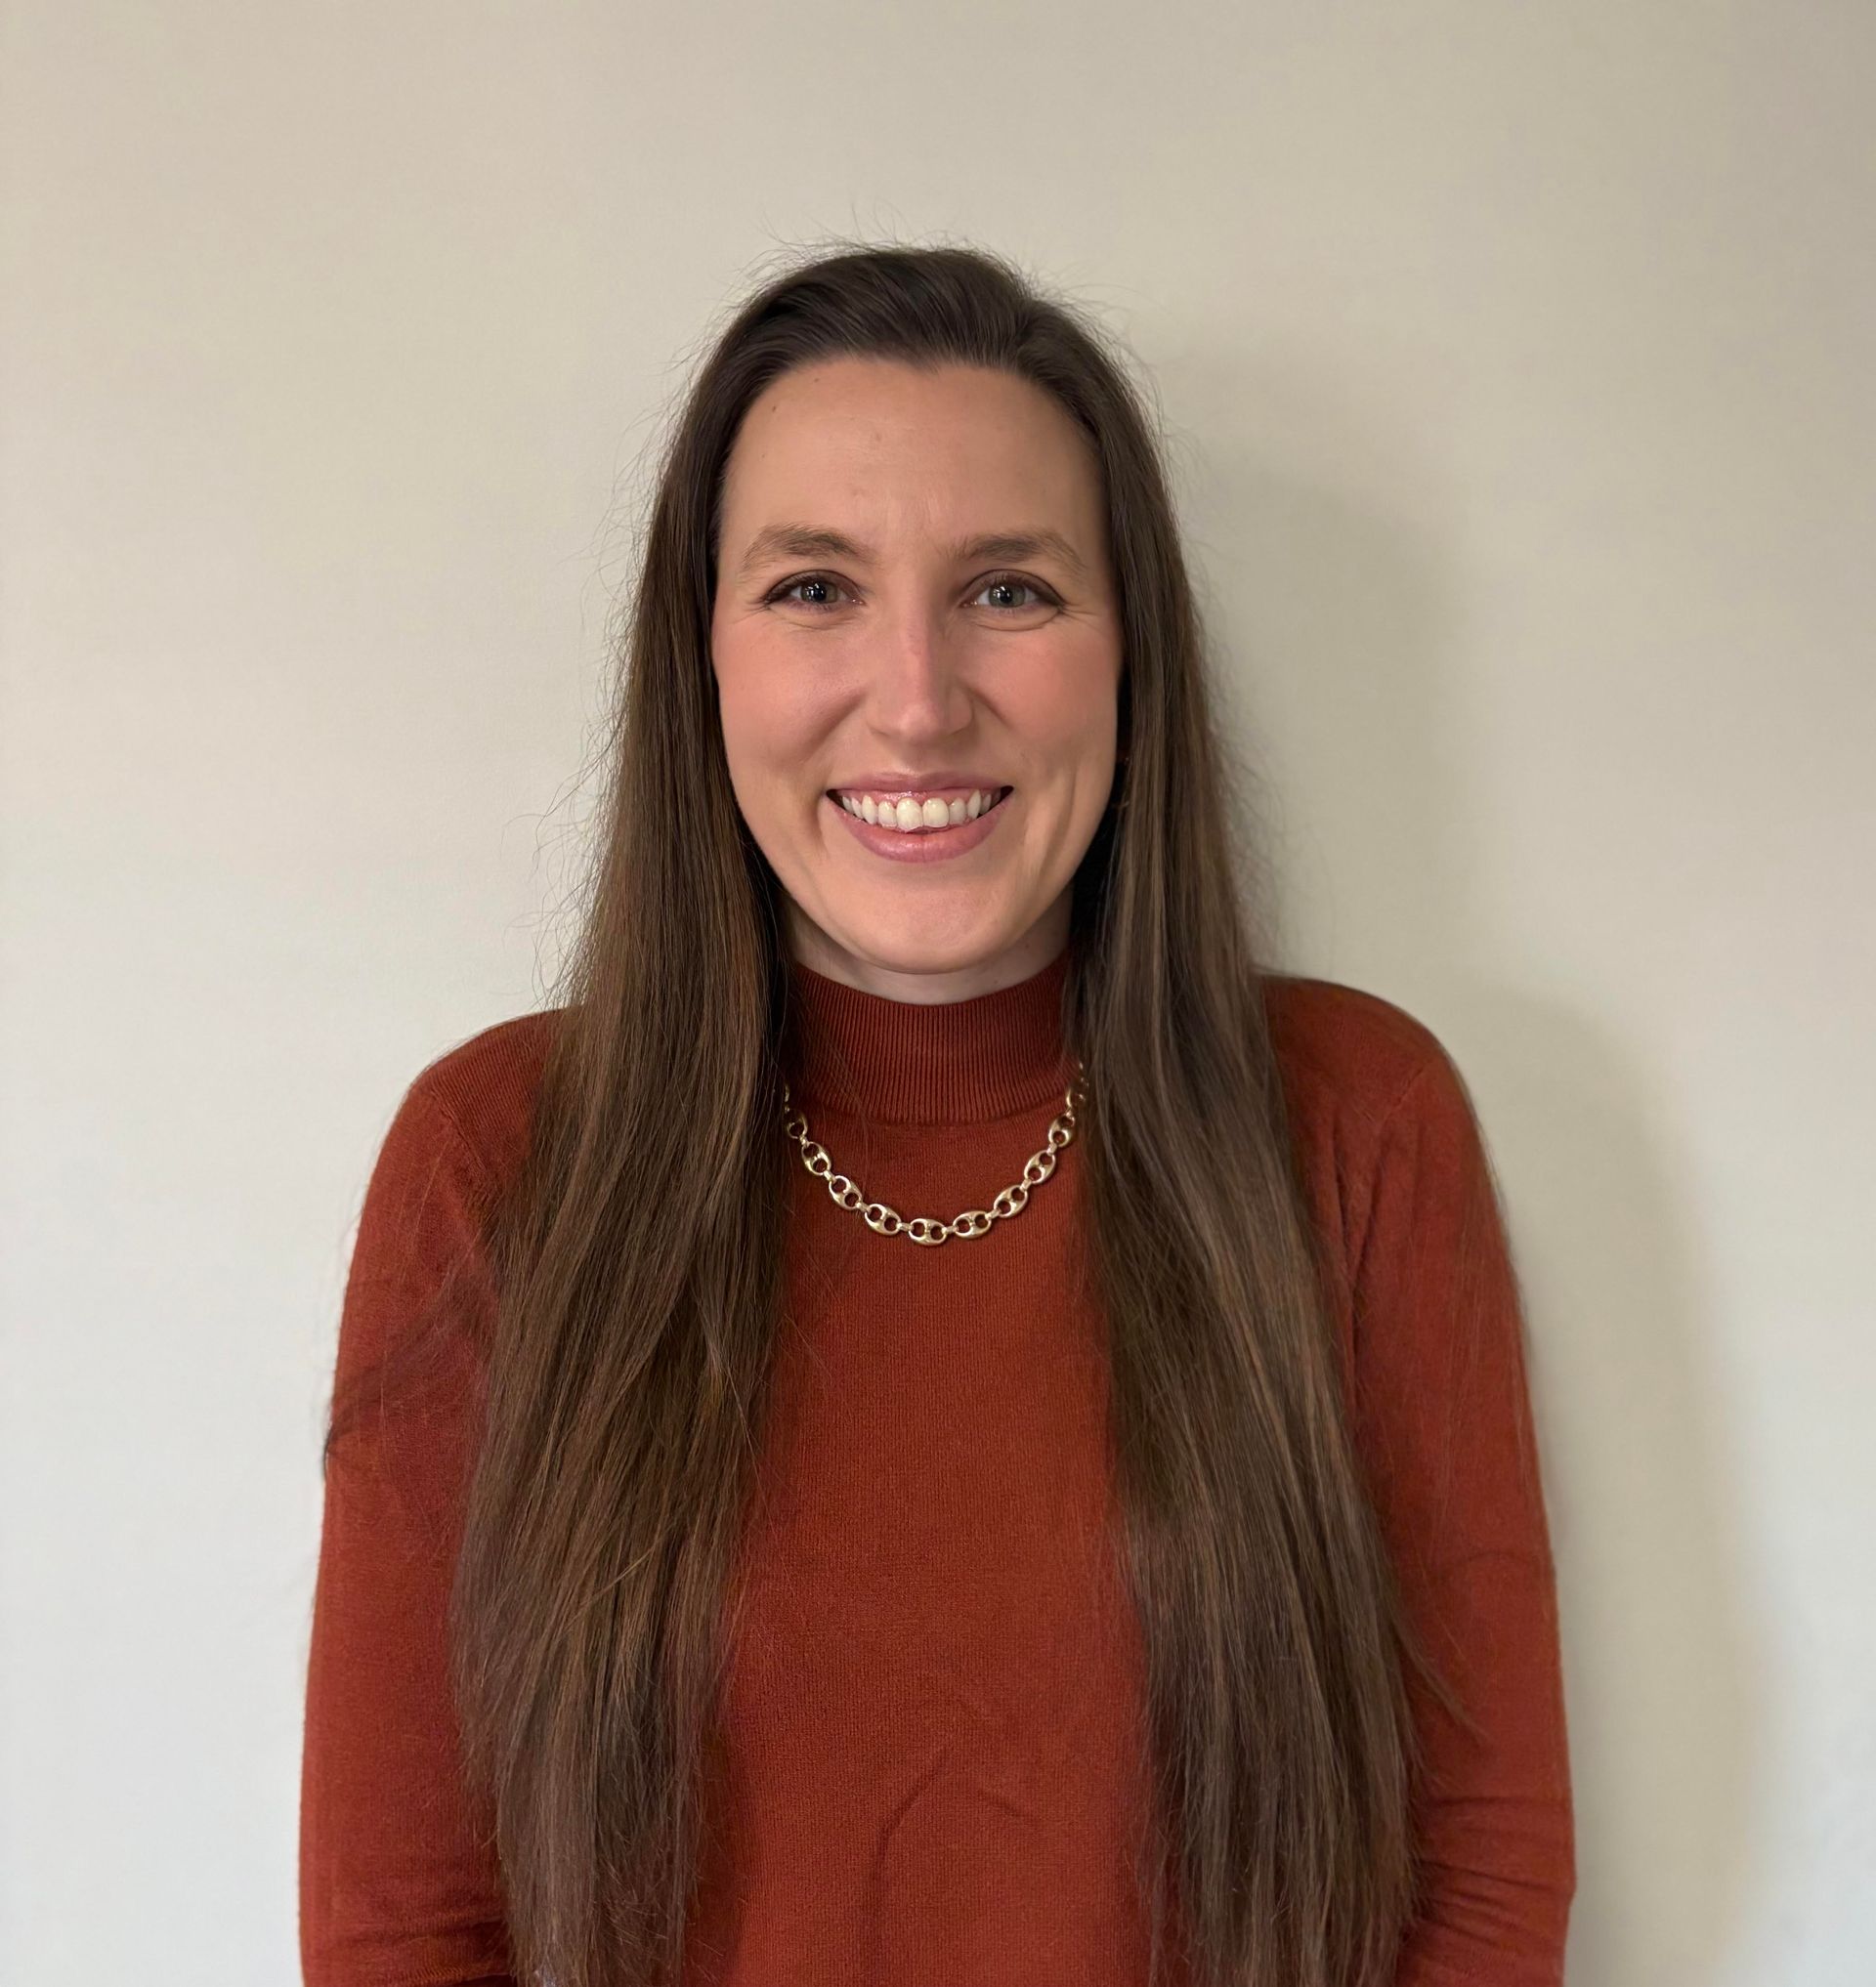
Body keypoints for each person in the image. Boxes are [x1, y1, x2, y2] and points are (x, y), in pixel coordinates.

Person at [299, 242, 1575, 1987]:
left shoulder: (1355, 1123)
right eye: (815, 587)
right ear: (706, 661)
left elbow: (1480, 1876)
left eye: (1011, 590)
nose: (914, 695)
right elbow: (403, 1931)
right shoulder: (501, 1157)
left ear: (1132, 654)